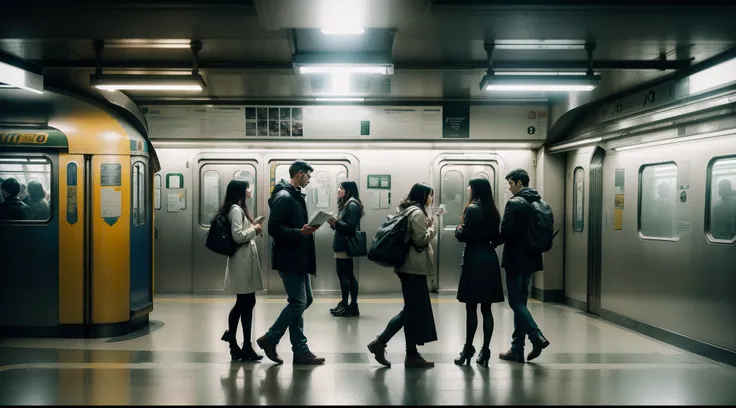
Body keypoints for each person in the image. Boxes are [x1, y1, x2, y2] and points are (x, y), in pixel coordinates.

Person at [256, 160, 325, 365]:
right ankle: (272, 338)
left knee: (305, 300)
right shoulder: (284, 197)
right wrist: (300, 232)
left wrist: (304, 230)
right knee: (298, 302)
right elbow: (274, 228)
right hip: (290, 258)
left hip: (299, 257)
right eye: (308, 176)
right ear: (300, 174)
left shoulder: (294, 195)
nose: (309, 180)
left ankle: (299, 349)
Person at [367, 182, 438, 369]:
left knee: (412, 311)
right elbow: (420, 241)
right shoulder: (417, 213)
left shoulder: (406, 210)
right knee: (411, 311)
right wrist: (432, 229)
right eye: (430, 195)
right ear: (424, 196)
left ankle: (412, 354)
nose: (432, 199)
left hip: (407, 267)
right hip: (413, 268)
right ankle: (380, 343)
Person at [497, 169, 550, 363]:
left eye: (510, 183)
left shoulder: (515, 203)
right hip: (532, 259)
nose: (510, 188)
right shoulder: (539, 202)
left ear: (519, 183)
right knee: (522, 302)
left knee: (515, 302)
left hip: (515, 259)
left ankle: (536, 336)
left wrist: (492, 242)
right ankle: (517, 349)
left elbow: (505, 231)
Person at [453, 177, 504, 367]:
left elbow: (463, 235)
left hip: (474, 259)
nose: (467, 189)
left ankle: (467, 349)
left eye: (470, 187)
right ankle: (485, 350)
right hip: (489, 258)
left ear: (475, 190)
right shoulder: (493, 210)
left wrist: (458, 229)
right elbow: (498, 236)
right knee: (487, 309)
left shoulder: (472, 209)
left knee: (471, 307)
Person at [218, 179, 265, 361]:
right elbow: (237, 236)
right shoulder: (236, 210)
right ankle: (236, 342)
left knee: (246, 303)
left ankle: (242, 344)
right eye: (247, 188)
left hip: (244, 262)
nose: (250, 190)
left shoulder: (238, 208)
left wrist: (253, 228)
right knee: (244, 303)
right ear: (241, 191)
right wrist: (255, 229)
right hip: (241, 262)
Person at [327, 179, 364, 317]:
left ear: (348, 190)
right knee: (346, 274)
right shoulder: (347, 204)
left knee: (345, 275)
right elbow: (343, 225)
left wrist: (335, 222)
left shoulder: (352, 204)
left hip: (345, 246)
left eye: (341, 188)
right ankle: (346, 304)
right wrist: (334, 223)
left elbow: (350, 228)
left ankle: (350, 305)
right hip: (342, 244)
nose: (338, 190)